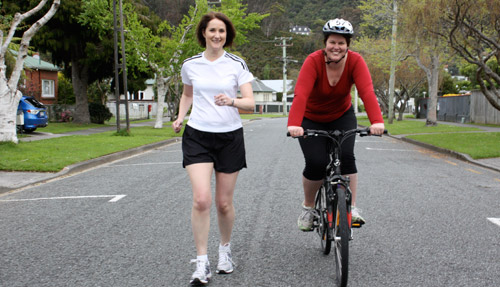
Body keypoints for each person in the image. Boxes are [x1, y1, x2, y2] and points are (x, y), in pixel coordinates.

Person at [172, 11, 255, 286]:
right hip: (197, 135)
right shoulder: (190, 64)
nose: (217, 35)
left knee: (223, 203)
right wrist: (180, 116)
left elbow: (250, 103)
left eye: (221, 31)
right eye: (212, 31)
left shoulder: (236, 64)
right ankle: (202, 262)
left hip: (229, 137)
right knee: (201, 200)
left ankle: (225, 251)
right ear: (203, 34)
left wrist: (231, 101)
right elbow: (187, 94)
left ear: (226, 35)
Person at [287, 18, 385, 231]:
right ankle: (309, 208)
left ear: (347, 45)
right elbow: (301, 94)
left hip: (342, 115)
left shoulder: (356, 61)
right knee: (316, 162)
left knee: (347, 158)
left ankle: (352, 208)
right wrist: (294, 124)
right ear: (325, 43)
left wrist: (377, 121)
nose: (336, 47)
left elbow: (367, 92)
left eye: (341, 43)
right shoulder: (313, 61)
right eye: (332, 42)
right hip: (311, 118)